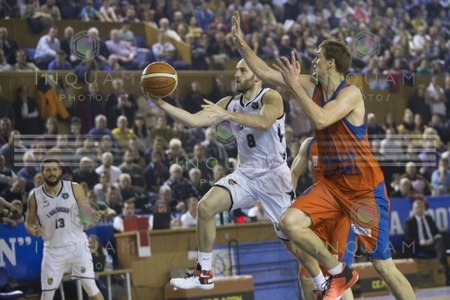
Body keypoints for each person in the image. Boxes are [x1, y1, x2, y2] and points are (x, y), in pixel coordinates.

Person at [231, 11, 416, 300]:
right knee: (289, 224)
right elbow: (267, 74)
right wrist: (241, 45)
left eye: (318, 55)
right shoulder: (310, 85)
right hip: (331, 186)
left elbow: (320, 119)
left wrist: (294, 84)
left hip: (363, 191)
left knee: (382, 265)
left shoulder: (351, 94)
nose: (313, 59)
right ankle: (338, 272)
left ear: (331, 62)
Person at [142, 58, 311, 291]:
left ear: (257, 75)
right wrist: (161, 104)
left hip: (274, 176)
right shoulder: (229, 102)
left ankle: (325, 277)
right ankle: (204, 273)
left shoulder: (270, 96)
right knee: (205, 206)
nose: (237, 74)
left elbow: (263, 122)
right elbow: (193, 121)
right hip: (246, 175)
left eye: (242, 70)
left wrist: (228, 116)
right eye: (236, 70)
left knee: (295, 245)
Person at [24, 158, 104, 300]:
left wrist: (91, 217)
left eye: (55, 169)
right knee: (46, 295)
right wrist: (32, 230)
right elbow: (28, 222)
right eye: (48, 170)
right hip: (52, 251)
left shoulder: (74, 188)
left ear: (60, 171)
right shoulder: (34, 196)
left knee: (91, 288)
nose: (52, 173)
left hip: (77, 247)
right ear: (42, 173)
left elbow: (85, 212)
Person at [291, 137, 355, 300]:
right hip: (317, 216)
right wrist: (290, 200)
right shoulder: (309, 144)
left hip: (341, 217)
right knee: (305, 275)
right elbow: (294, 172)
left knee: (340, 276)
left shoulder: (347, 141)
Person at [404, 199, 450, 286]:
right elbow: (408, 239)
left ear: (424, 208)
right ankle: (447, 274)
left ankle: (443, 265)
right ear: (413, 209)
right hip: (421, 247)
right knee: (441, 250)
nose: (419, 209)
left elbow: (436, 232)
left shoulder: (429, 218)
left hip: (434, 245)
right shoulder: (409, 222)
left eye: (421, 207)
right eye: (417, 207)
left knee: (440, 239)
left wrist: (434, 238)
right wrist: (424, 242)